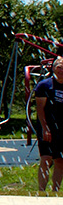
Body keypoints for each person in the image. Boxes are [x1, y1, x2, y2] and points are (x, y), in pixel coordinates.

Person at [35, 56, 63, 193]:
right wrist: (45, 127)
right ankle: (41, 190)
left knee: (60, 160)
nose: (61, 70)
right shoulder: (45, 85)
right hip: (47, 126)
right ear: (53, 68)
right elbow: (40, 109)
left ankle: (55, 191)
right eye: (59, 67)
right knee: (46, 159)